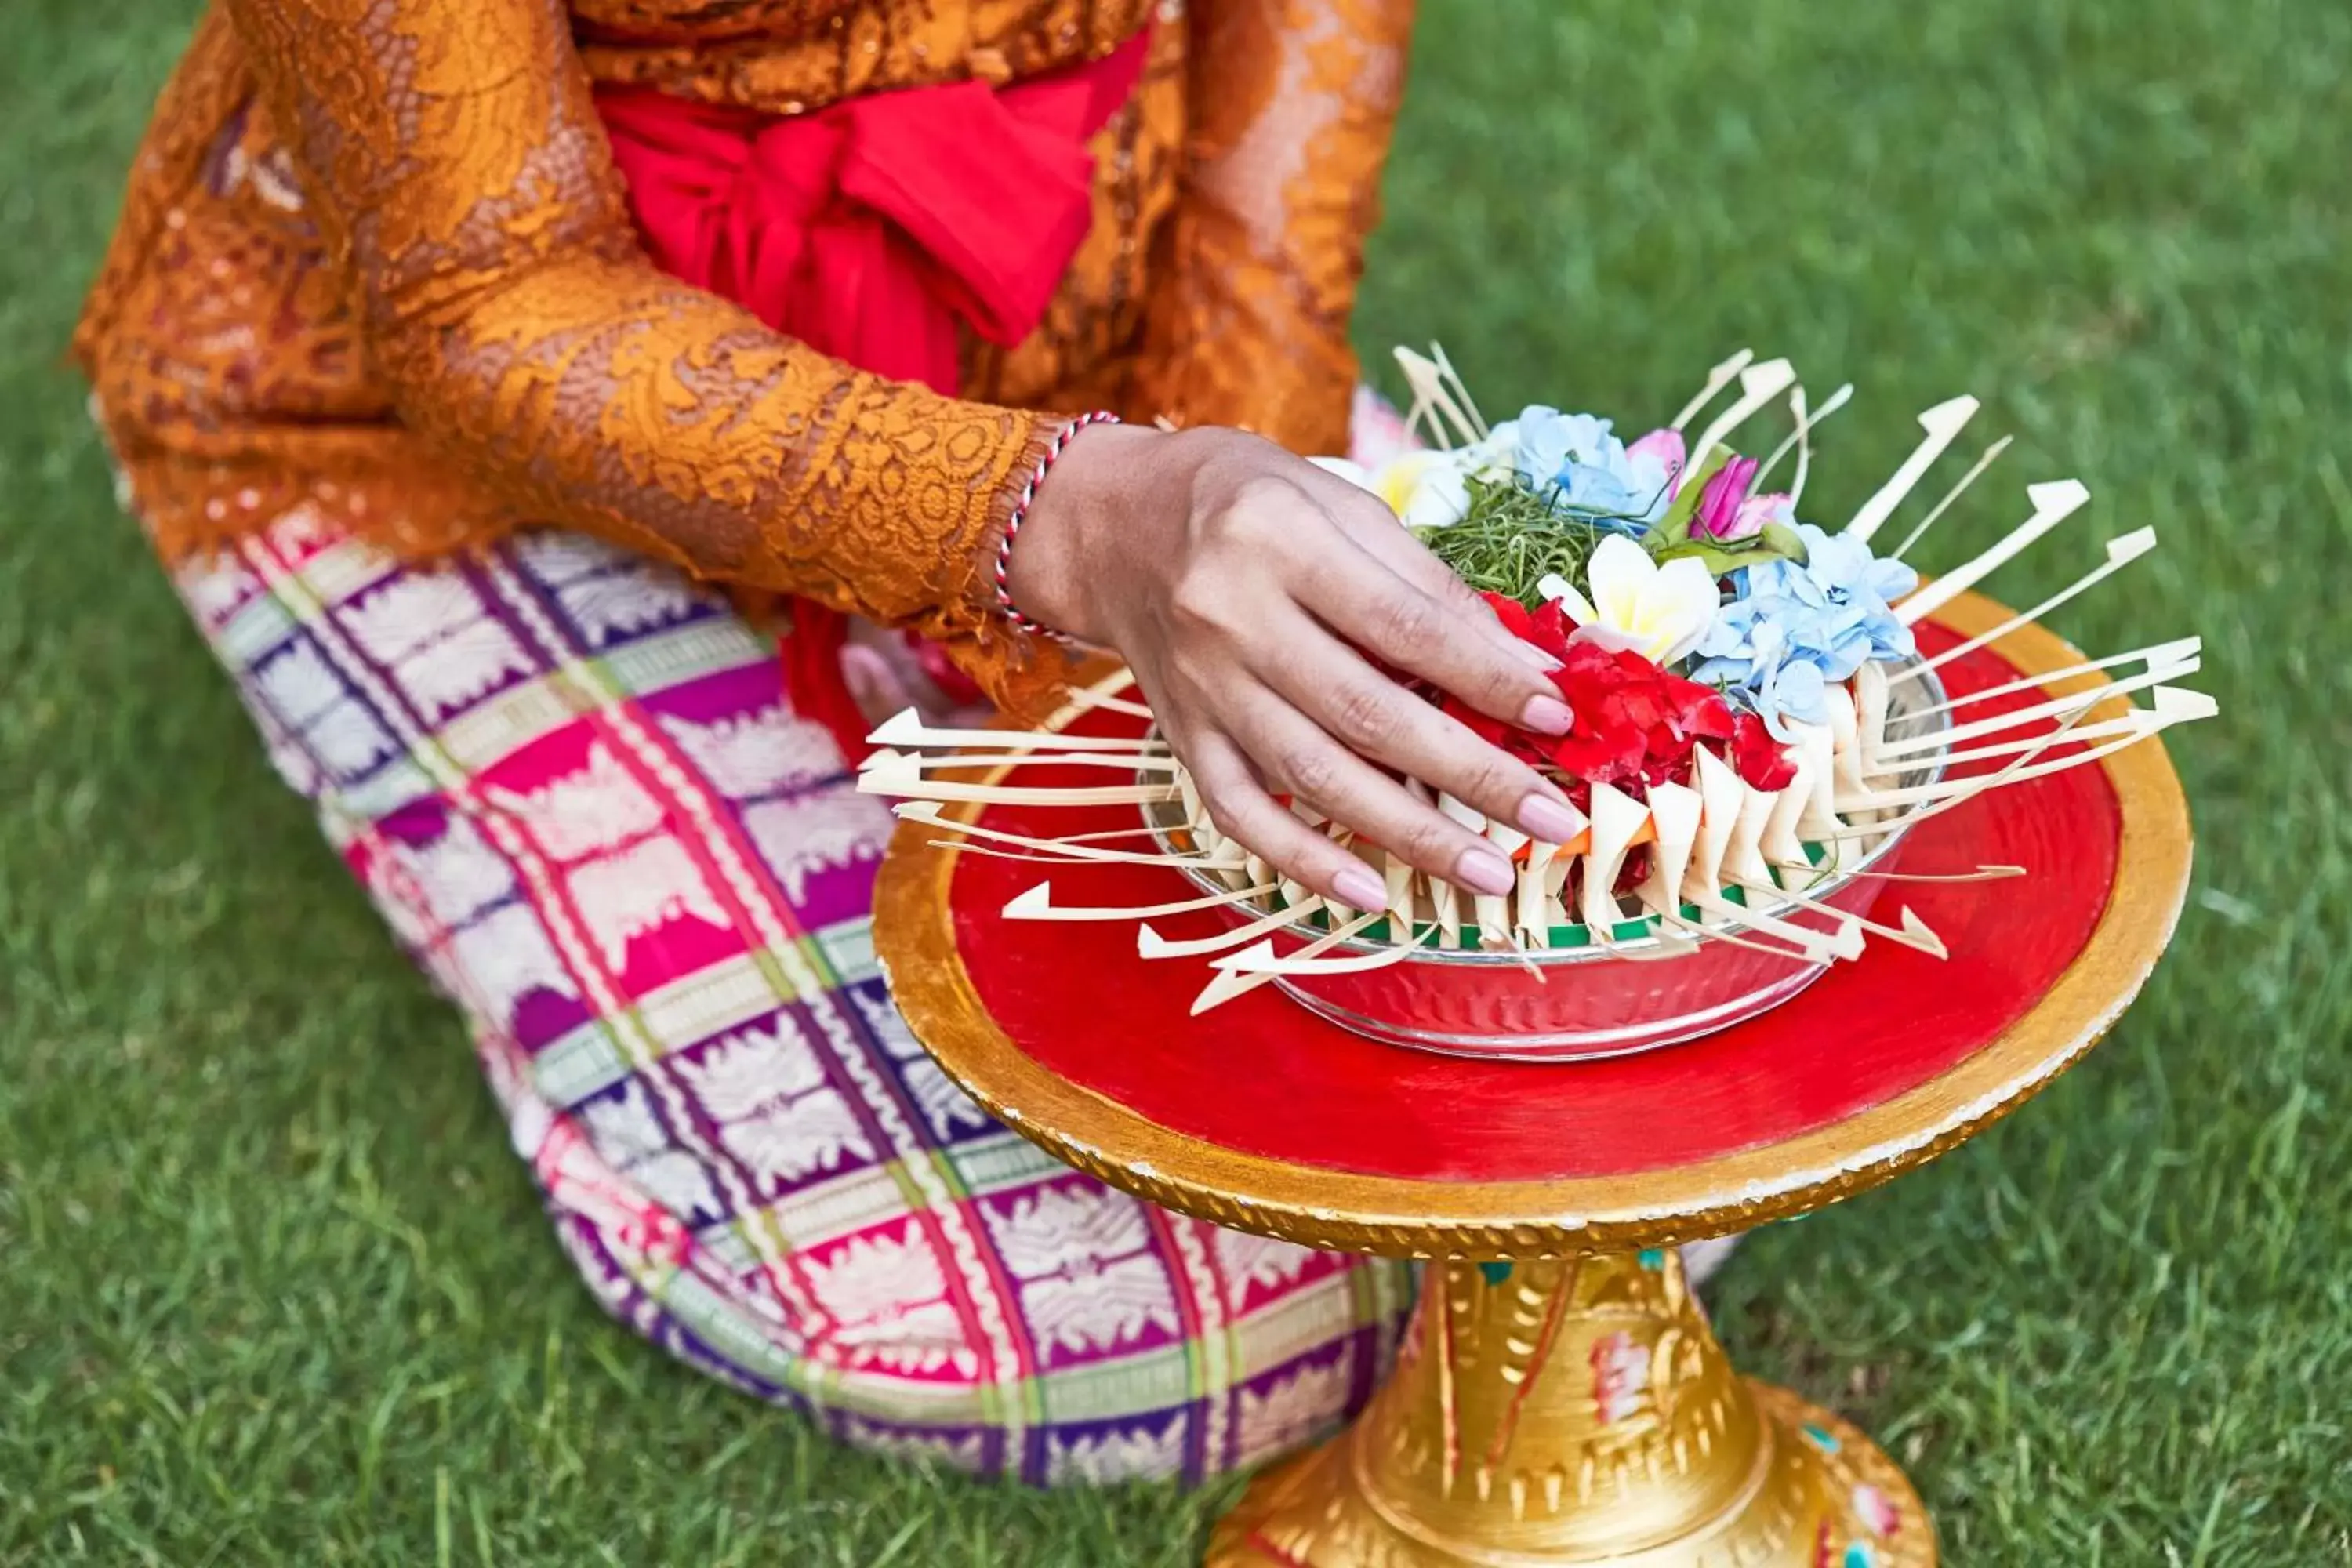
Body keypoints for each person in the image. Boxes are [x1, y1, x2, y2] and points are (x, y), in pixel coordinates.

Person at [75, 0, 1608, 1486]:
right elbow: (487, 298)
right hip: (458, 439)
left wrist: (1230, 437)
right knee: (1156, 1317)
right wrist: (1066, 523)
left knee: (1602, 999)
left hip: (1055, 272)